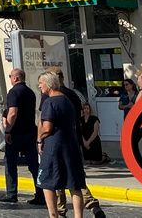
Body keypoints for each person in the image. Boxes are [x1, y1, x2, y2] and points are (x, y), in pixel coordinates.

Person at [37, 71, 85, 218]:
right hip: (71, 145)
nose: (39, 86)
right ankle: (78, 216)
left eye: (41, 83)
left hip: (54, 147)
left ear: (48, 84)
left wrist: (39, 139)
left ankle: (53, 215)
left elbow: (47, 127)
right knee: (74, 183)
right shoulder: (67, 100)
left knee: (47, 182)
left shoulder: (50, 102)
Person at [0, 68, 44, 204]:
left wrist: (8, 130)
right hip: (30, 132)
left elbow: (12, 113)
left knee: (10, 163)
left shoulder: (13, 92)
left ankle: (12, 193)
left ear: (16, 78)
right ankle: (40, 194)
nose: (10, 78)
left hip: (16, 134)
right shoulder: (30, 92)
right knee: (33, 165)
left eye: (10, 76)